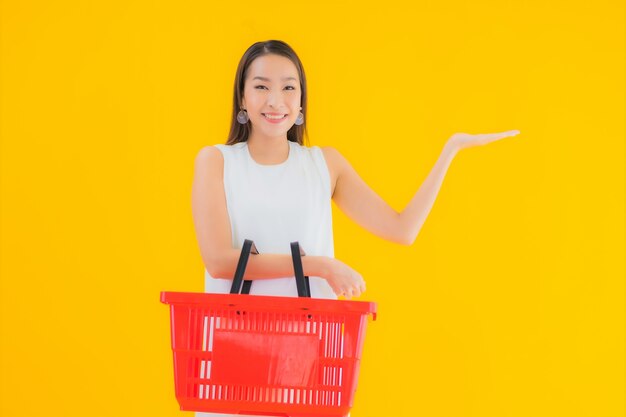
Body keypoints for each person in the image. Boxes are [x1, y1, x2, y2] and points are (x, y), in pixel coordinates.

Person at [190, 40, 520, 417]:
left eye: (288, 87)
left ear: (301, 103)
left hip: (308, 365)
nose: (275, 100)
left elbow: (402, 229)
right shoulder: (215, 162)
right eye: (261, 86)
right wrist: (319, 265)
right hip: (235, 369)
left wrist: (451, 150)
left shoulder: (324, 165)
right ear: (242, 98)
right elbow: (219, 261)